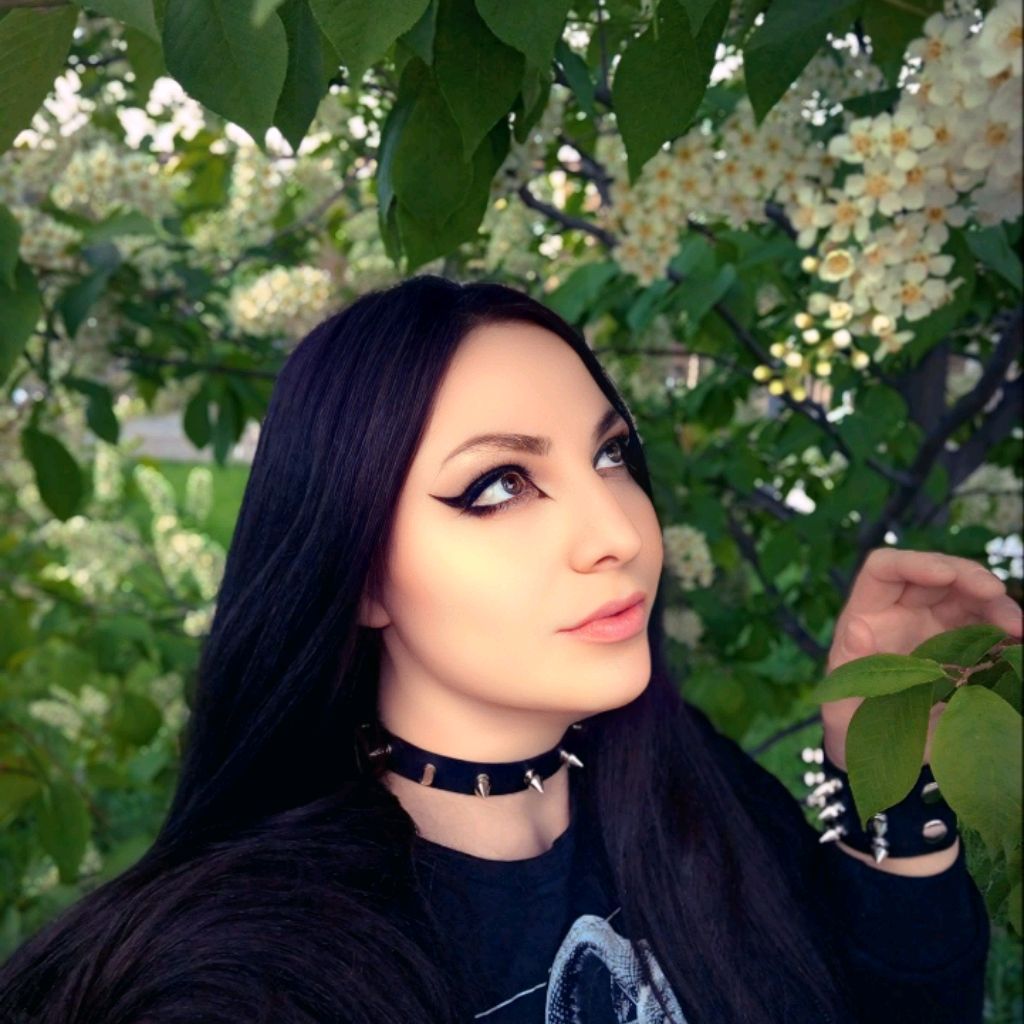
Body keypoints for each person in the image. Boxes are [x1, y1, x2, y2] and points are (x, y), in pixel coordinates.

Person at [0, 275, 1014, 1024]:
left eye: (610, 454)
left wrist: (889, 776)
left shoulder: (683, 785)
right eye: (498, 485)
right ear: (357, 573)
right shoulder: (245, 973)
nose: (616, 532)